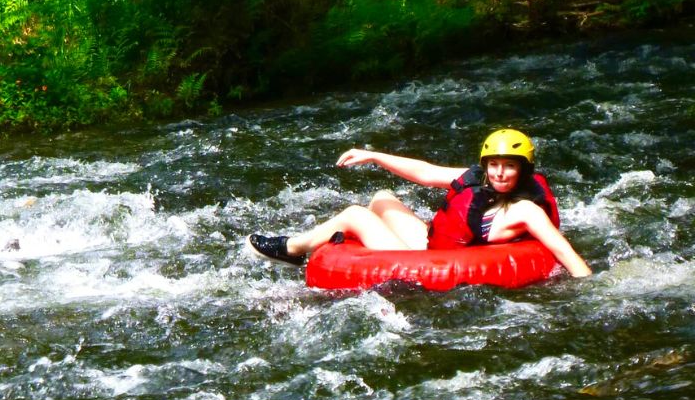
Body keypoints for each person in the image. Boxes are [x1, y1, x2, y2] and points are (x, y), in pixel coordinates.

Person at [247, 128, 592, 277]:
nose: (500, 173)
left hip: (431, 264)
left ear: (523, 170)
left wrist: (589, 290)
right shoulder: (482, 180)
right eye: (495, 165)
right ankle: (351, 245)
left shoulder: (527, 209)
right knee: (382, 198)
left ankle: (292, 248)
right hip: (433, 244)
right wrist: (373, 156)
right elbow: (426, 172)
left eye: (510, 167)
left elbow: (564, 253)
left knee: (355, 215)